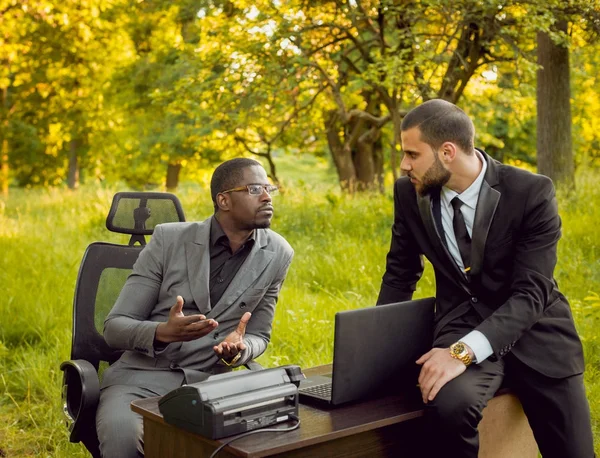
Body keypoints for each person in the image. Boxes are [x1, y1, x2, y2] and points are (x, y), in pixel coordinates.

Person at [377, 99, 594, 458]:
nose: (404, 165)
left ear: (447, 151)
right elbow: (401, 272)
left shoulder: (531, 193)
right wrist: (378, 347)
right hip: (458, 325)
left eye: (412, 154)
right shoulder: (408, 193)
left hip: (537, 333)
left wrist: (460, 354)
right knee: (446, 406)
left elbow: (531, 293)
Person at [95, 158, 294, 458]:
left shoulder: (278, 253)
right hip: (143, 382)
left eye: (269, 188)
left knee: (278, 434)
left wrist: (241, 349)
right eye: (255, 189)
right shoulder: (168, 239)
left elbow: (260, 335)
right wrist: (162, 332)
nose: (267, 196)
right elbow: (115, 327)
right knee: (123, 437)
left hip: (217, 384)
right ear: (223, 200)